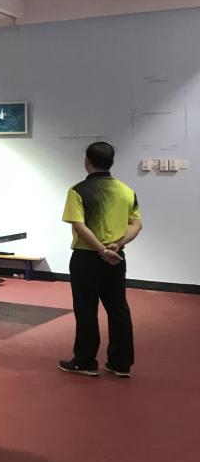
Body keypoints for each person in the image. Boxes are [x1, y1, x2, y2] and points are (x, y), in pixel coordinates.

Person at [59, 142, 141, 377]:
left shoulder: (77, 191)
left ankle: (85, 361)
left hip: (86, 258)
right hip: (116, 258)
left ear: (87, 161)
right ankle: (120, 364)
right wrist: (118, 245)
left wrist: (100, 250)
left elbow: (79, 226)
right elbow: (136, 224)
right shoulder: (127, 190)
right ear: (112, 162)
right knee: (118, 309)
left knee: (86, 309)